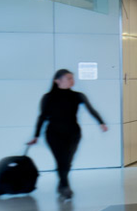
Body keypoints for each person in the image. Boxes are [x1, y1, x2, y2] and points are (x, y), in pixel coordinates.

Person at [27, 69, 108, 199]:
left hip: (73, 133)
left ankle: (62, 184)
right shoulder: (48, 97)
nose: (72, 81)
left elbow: (91, 109)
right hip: (54, 134)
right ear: (57, 81)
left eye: (72, 78)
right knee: (61, 160)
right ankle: (65, 186)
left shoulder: (78, 96)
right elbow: (42, 117)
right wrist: (36, 136)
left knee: (67, 161)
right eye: (68, 78)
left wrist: (101, 122)